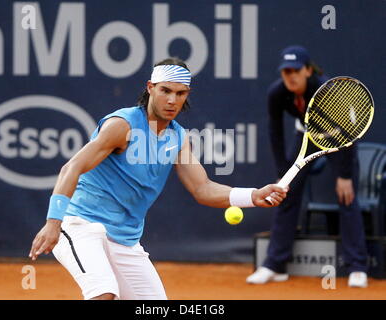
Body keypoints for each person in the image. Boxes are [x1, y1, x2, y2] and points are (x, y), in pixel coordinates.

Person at [29, 57, 288, 300]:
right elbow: (71, 168)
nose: (172, 100)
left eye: (180, 93)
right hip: (80, 225)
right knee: (104, 293)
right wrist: (54, 222)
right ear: (150, 88)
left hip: (125, 239)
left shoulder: (178, 139)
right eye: (165, 91)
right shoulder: (122, 125)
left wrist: (253, 195)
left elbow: (203, 188)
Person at [246, 46, 369, 288]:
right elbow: (275, 130)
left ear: (308, 70)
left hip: (339, 138)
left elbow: (350, 132)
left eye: (296, 70)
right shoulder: (277, 93)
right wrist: (283, 169)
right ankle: (274, 265)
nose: (290, 76)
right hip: (305, 136)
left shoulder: (328, 92)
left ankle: (357, 267)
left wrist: (344, 175)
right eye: (286, 71)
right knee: (285, 196)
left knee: (346, 197)